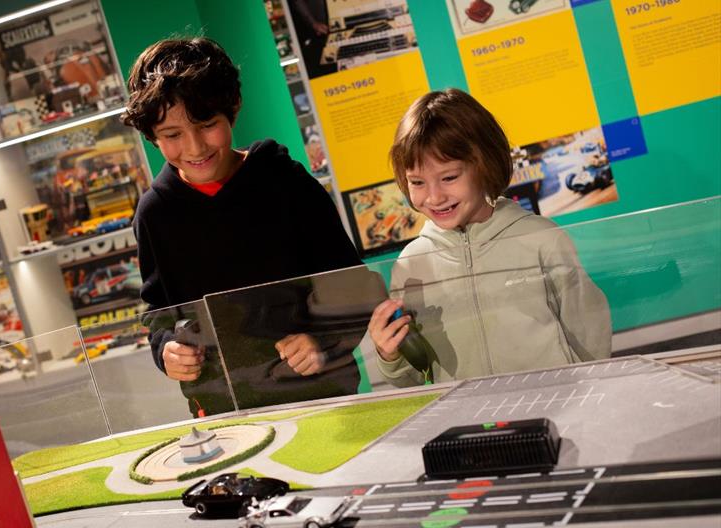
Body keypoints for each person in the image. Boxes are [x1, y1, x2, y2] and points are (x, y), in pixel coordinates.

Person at [122, 37, 363, 415]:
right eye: (172, 135)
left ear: (233, 109)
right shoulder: (154, 213)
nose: (195, 147)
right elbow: (160, 311)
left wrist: (322, 341)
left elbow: (352, 284)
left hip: (322, 396)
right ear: (151, 136)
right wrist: (165, 347)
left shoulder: (287, 181)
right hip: (225, 411)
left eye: (207, 124)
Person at [369, 88, 612, 387]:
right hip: (467, 420)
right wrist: (389, 355)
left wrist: (593, 397)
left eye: (449, 177)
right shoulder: (410, 265)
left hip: (556, 409)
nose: (433, 196)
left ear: (484, 165)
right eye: (417, 182)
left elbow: (590, 335)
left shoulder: (542, 239)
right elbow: (413, 380)